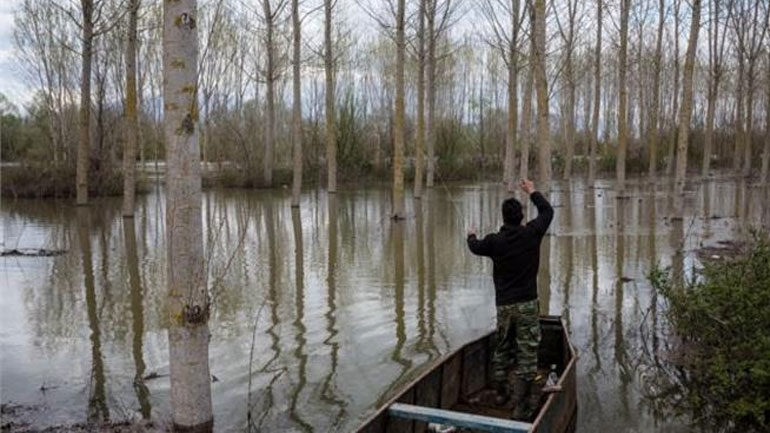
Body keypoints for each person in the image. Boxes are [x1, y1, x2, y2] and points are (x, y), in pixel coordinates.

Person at [466, 179, 554, 420]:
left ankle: (501, 394)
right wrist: (532, 191)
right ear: (521, 216)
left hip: (504, 306)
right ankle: (522, 407)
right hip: (527, 304)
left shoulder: (495, 241)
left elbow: (474, 247)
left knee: (502, 348)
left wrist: (471, 236)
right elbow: (548, 211)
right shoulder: (532, 233)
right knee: (527, 353)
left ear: (504, 218)